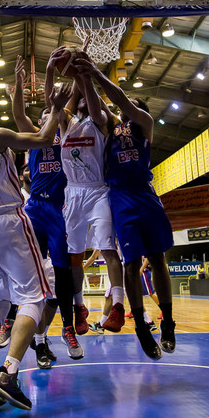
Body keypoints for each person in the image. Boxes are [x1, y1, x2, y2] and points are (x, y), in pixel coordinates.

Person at [0, 84, 71, 411]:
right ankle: (9, 373)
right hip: (9, 223)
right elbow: (44, 140)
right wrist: (57, 109)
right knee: (34, 298)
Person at [75, 55, 176, 360]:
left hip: (145, 195)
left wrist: (96, 73)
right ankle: (142, 328)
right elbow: (98, 105)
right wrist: (83, 77)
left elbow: (119, 99)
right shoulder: (113, 127)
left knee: (158, 259)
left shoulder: (143, 123)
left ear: (140, 110)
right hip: (120, 198)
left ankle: (168, 323)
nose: (123, 107)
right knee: (131, 263)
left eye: (130, 104)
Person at [7, 52, 85, 367]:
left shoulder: (65, 135)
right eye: (41, 117)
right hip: (36, 207)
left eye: (48, 115)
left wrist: (68, 71)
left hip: (61, 208)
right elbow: (19, 115)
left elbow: (58, 103)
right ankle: (18, 323)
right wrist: (19, 84)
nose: (44, 118)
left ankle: (68, 326)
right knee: (30, 272)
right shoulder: (36, 139)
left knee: (63, 275)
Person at [56, 48, 125, 341]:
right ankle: (80, 307)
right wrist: (74, 72)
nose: (84, 100)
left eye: (87, 97)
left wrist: (86, 75)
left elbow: (96, 105)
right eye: (81, 99)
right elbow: (63, 106)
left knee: (108, 249)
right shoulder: (66, 123)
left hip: (98, 191)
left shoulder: (101, 121)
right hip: (72, 194)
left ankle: (118, 305)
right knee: (74, 256)